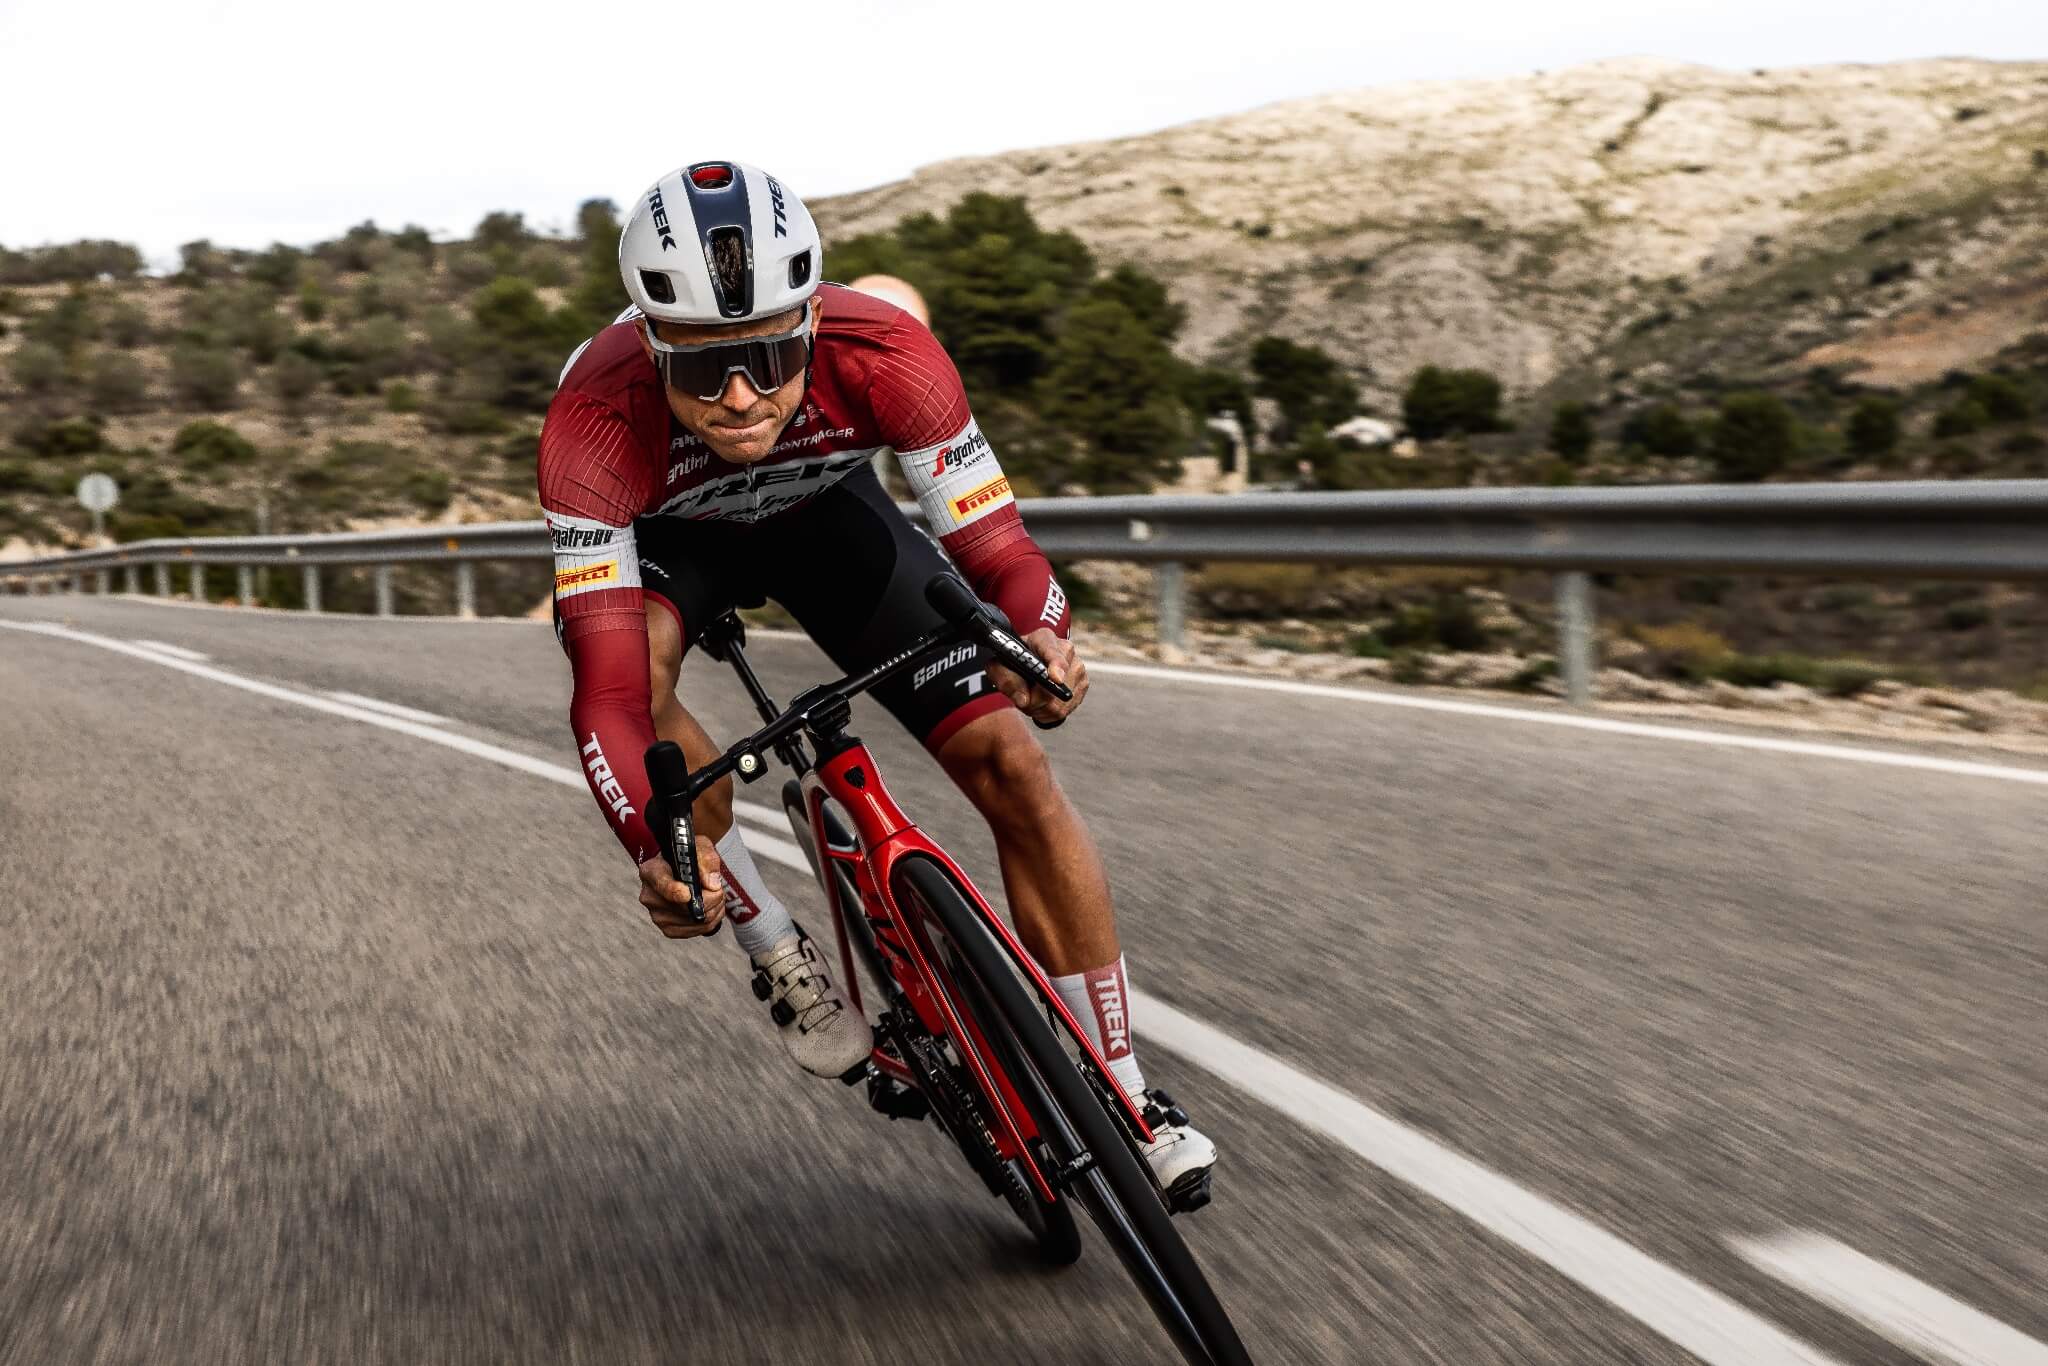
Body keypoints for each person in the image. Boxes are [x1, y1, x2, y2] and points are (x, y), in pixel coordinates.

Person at [538, 159, 1216, 1208]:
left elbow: (1000, 552)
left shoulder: (887, 350)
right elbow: (610, 701)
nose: (738, 397)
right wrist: (652, 845)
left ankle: (1125, 1090)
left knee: (1012, 763)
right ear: (650, 342)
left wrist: (1040, 639)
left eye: (770, 358)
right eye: (701, 370)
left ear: (813, 322)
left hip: (827, 521)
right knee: (642, 673)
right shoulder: (594, 418)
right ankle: (768, 934)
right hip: (678, 545)